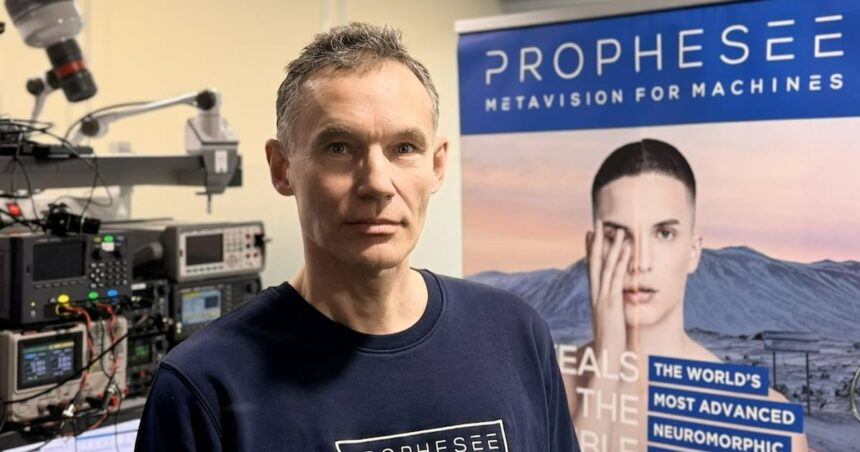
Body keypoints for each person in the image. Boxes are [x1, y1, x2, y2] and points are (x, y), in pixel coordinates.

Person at [135, 23, 579, 451]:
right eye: (339, 148)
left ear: (436, 165)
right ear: (282, 168)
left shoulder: (514, 334)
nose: (377, 184)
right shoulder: (205, 385)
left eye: (404, 148)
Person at [563, 139, 807, 451]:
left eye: (664, 233)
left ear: (693, 252)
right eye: (617, 236)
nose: (640, 262)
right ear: (592, 249)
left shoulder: (761, 419)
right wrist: (606, 368)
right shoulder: (539, 387)